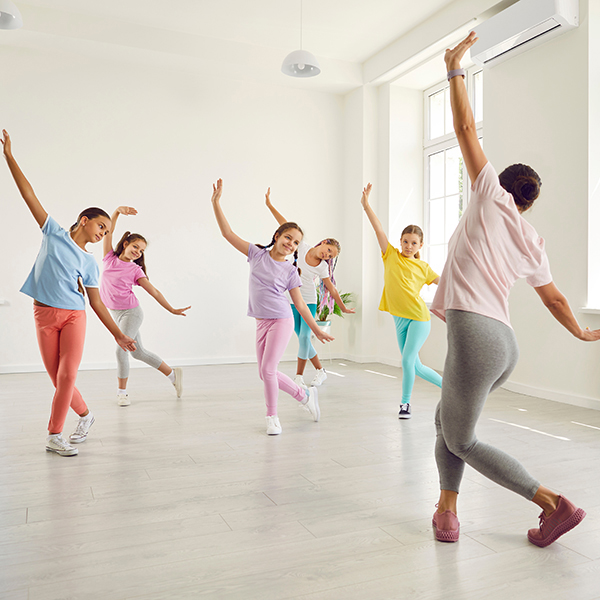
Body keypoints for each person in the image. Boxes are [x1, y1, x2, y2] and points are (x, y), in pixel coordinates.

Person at [430, 32, 600, 546]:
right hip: (504, 345)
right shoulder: (531, 237)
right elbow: (555, 298)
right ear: (530, 203)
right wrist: (581, 334)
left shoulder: (489, 197)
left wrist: (455, 69)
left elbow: (462, 127)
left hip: (477, 336)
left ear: (501, 186)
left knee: (461, 438)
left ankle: (554, 503)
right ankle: (446, 512)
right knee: (444, 422)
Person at [1, 130, 136, 457]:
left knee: (66, 375)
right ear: (84, 220)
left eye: (107, 231)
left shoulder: (90, 263)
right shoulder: (53, 232)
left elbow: (96, 302)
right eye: (101, 226)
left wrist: (118, 334)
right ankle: (87, 417)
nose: (103, 232)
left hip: (74, 317)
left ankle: (54, 435)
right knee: (58, 380)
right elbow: (28, 194)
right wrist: (8, 155)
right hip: (43, 314)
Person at [211, 179, 334, 435]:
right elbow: (227, 234)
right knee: (264, 373)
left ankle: (272, 417)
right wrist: (216, 203)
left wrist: (317, 330)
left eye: (296, 241)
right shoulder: (255, 253)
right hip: (261, 321)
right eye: (288, 237)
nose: (291, 243)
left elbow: (299, 304)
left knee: (268, 370)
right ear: (277, 236)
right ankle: (305, 396)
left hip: (281, 320)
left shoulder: (291, 271)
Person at [361, 183, 442, 419]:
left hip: (419, 317)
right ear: (400, 241)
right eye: (405, 241)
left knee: (406, 360)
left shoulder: (424, 267)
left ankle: (405, 404)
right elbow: (378, 231)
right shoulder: (391, 256)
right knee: (414, 366)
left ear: (420, 245)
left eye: (413, 243)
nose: (408, 246)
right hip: (399, 319)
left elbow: (445, 283)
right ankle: (450, 389)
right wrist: (366, 206)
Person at [100, 207, 191, 406]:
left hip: (131, 313)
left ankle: (122, 392)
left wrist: (172, 309)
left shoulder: (135, 270)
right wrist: (116, 213)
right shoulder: (109, 258)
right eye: (135, 247)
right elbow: (109, 232)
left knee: (120, 350)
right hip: (115, 314)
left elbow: (155, 291)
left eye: (141, 250)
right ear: (126, 244)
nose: (138, 252)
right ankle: (173, 375)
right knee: (137, 352)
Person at [265, 188, 354, 388]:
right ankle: (321, 371)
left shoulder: (322, 267)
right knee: (302, 338)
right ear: (324, 242)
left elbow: (331, 289)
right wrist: (270, 205)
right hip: (290, 301)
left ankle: (298, 376)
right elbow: (284, 225)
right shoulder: (302, 246)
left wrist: (343, 306)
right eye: (328, 250)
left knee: (305, 336)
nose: (327, 256)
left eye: (331, 256)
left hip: (309, 302)